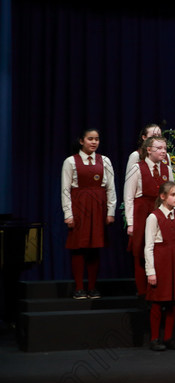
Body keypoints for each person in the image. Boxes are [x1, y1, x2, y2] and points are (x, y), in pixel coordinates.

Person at [60, 128, 117, 299]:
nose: (94, 142)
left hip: (98, 208)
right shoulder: (70, 162)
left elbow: (111, 188)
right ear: (81, 141)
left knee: (94, 248)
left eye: (97, 139)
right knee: (79, 248)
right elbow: (65, 190)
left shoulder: (104, 161)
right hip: (79, 207)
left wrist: (110, 211)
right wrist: (68, 214)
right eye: (90, 139)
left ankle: (92, 287)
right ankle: (79, 288)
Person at [144, 181, 175, 351]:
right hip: (161, 261)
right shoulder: (154, 217)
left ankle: (169, 337)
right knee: (157, 302)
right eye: (173, 194)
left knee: (172, 302)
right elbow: (148, 246)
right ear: (163, 197)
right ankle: (155, 338)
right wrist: (151, 271)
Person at [125, 135, 170, 298]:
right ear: (148, 150)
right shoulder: (138, 168)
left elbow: (171, 194)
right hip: (142, 212)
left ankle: (157, 288)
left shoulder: (167, 169)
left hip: (160, 212)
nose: (163, 151)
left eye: (165, 148)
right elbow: (129, 197)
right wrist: (130, 222)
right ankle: (142, 290)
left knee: (159, 249)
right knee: (141, 250)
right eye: (159, 148)